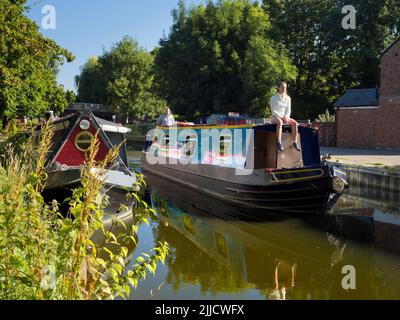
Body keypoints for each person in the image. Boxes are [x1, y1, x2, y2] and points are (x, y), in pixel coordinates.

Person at [270, 82, 300, 152]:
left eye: (285, 87)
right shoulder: (273, 98)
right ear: (279, 88)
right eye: (282, 87)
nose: (284, 89)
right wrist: (281, 117)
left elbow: (288, 110)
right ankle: (279, 142)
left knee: (295, 123)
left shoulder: (288, 98)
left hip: (285, 117)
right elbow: (273, 110)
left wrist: (286, 117)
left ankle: (294, 142)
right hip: (276, 117)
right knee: (280, 122)